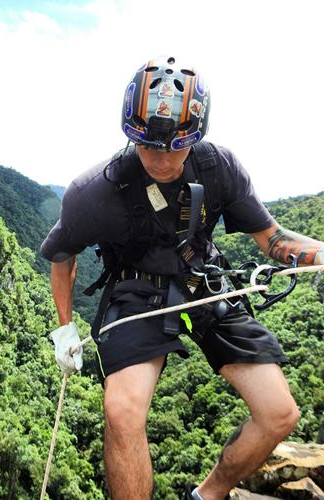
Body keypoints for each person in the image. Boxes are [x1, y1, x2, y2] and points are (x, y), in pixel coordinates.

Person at [40, 56, 324, 500]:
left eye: (176, 145)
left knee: (279, 413)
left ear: (195, 136)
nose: (161, 157)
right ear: (131, 133)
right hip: (135, 290)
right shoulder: (94, 191)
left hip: (202, 280)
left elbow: (272, 239)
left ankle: (207, 494)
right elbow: (63, 258)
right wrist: (64, 329)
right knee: (121, 409)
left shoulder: (218, 168)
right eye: (148, 144)